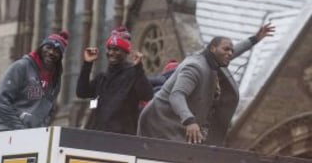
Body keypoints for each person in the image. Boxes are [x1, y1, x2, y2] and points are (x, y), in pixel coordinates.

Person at [137, 23, 275, 146]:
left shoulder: (213, 59)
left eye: (231, 51)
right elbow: (177, 95)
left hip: (175, 124)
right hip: (159, 122)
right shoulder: (195, 67)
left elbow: (232, 51)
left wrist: (255, 39)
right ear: (213, 49)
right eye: (226, 49)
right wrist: (190, 121)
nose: (230, 53)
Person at [76, 26, 153, 135]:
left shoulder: (133, 74)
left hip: (121, 139)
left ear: (126, 52)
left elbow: (147, 95)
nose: (111, 53)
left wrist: (139, 69)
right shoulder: (102, 78)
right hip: (97, 136)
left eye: (116, 49)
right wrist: (87, 64)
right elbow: (81, 92)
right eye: (109, 49)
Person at [0, 31, 69, 131]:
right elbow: (2, 101)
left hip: (32, 136)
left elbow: (51, 109)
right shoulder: (21, 67)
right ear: (41, 48)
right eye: (48, 47)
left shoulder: (55, 79)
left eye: (57, 51)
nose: (51, 53)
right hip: (7, 132)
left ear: (60, 56)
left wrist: (41, 127)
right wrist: (20, 129)